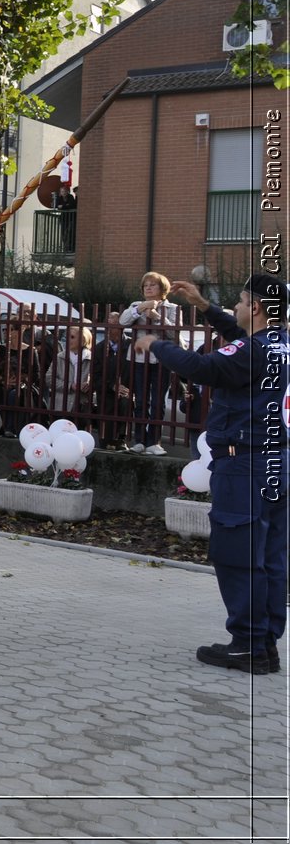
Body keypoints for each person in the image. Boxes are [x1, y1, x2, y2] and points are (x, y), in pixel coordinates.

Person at [135, 275, 286, 674]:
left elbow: (203, 367)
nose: (235, 308)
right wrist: (204, 307)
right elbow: (240, 336)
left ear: (255, 307)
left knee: (239, 555)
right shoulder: (280, 345)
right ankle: (265, 642)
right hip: (276, 464)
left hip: (245, 466)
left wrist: (157, 344)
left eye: (239, 301)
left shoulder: (251, 353)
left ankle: (247, 644)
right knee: (271, 557)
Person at [121, 271, 183, 455]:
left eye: (152, 285)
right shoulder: (135, 305)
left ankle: (153, 442)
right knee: (140, 400)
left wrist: (157, 316)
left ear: (162, 289)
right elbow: (123, 322)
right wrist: (140, 309)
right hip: (140, 359)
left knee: (158, 401)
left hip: (162, 359)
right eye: (145, 285)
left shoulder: (173, 308)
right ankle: (139, 440)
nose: (148, 288)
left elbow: (175, 333)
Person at [90, 311, 133, 449]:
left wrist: (128, 388)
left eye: (114, 325)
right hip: (106, 399)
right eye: (108, 324)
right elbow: (95, 376)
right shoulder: (99, 348)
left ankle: (121, 440)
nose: (110, 328)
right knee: (105, 439)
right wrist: (112, 386)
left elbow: (139, 372)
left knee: (121, 439)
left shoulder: (131, 345)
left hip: (126, 397)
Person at [49, 324, 95, 417]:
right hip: (61, 405)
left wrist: (90, 384)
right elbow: (49, 379)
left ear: (83, 340)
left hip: (83, 405)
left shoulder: (93, 358)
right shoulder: (60, 357)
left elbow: (100, 379)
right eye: (67, 337)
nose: (67, 340)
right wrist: (70, 386)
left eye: (72, 337)